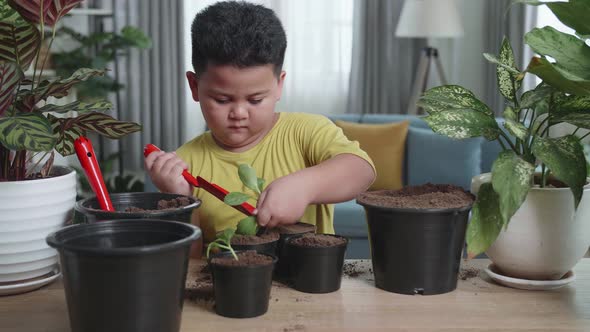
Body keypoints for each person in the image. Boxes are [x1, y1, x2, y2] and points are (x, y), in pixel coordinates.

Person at [145, 1, 375, 257]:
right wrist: (180, 201)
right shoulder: (185, 164)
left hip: (311, 291)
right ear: (195, 86)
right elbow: (191, 264)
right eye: (222, 100)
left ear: (279, 85)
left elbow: (362, 171)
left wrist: (305, 185)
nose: (239, 113)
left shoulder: (306, 131)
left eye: (255, 100)